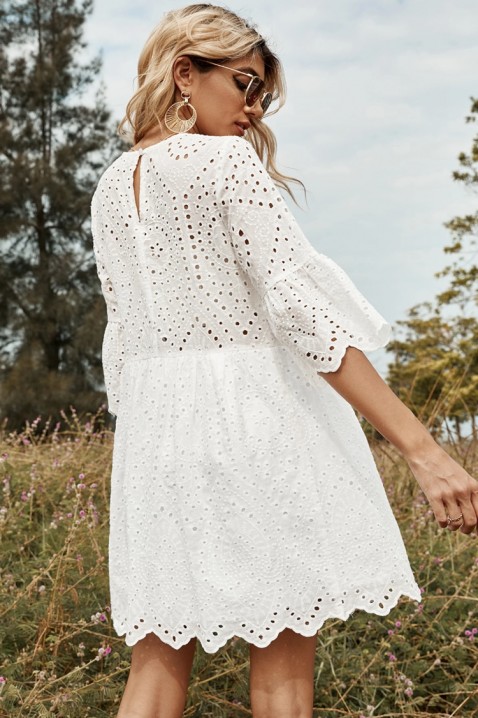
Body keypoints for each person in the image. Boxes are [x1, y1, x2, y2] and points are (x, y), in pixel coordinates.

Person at [90, 4, 478, 717]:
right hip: (255, 422)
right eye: (244, 84)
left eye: (263, 93)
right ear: (185, 73)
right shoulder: (225, 162)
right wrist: (423, 451)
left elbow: (123, 342)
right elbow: (302, 314)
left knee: (155, 663)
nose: (255, 108)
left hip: (153, 441)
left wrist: (153, 431)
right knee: (282, 661)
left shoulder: (112, 186)